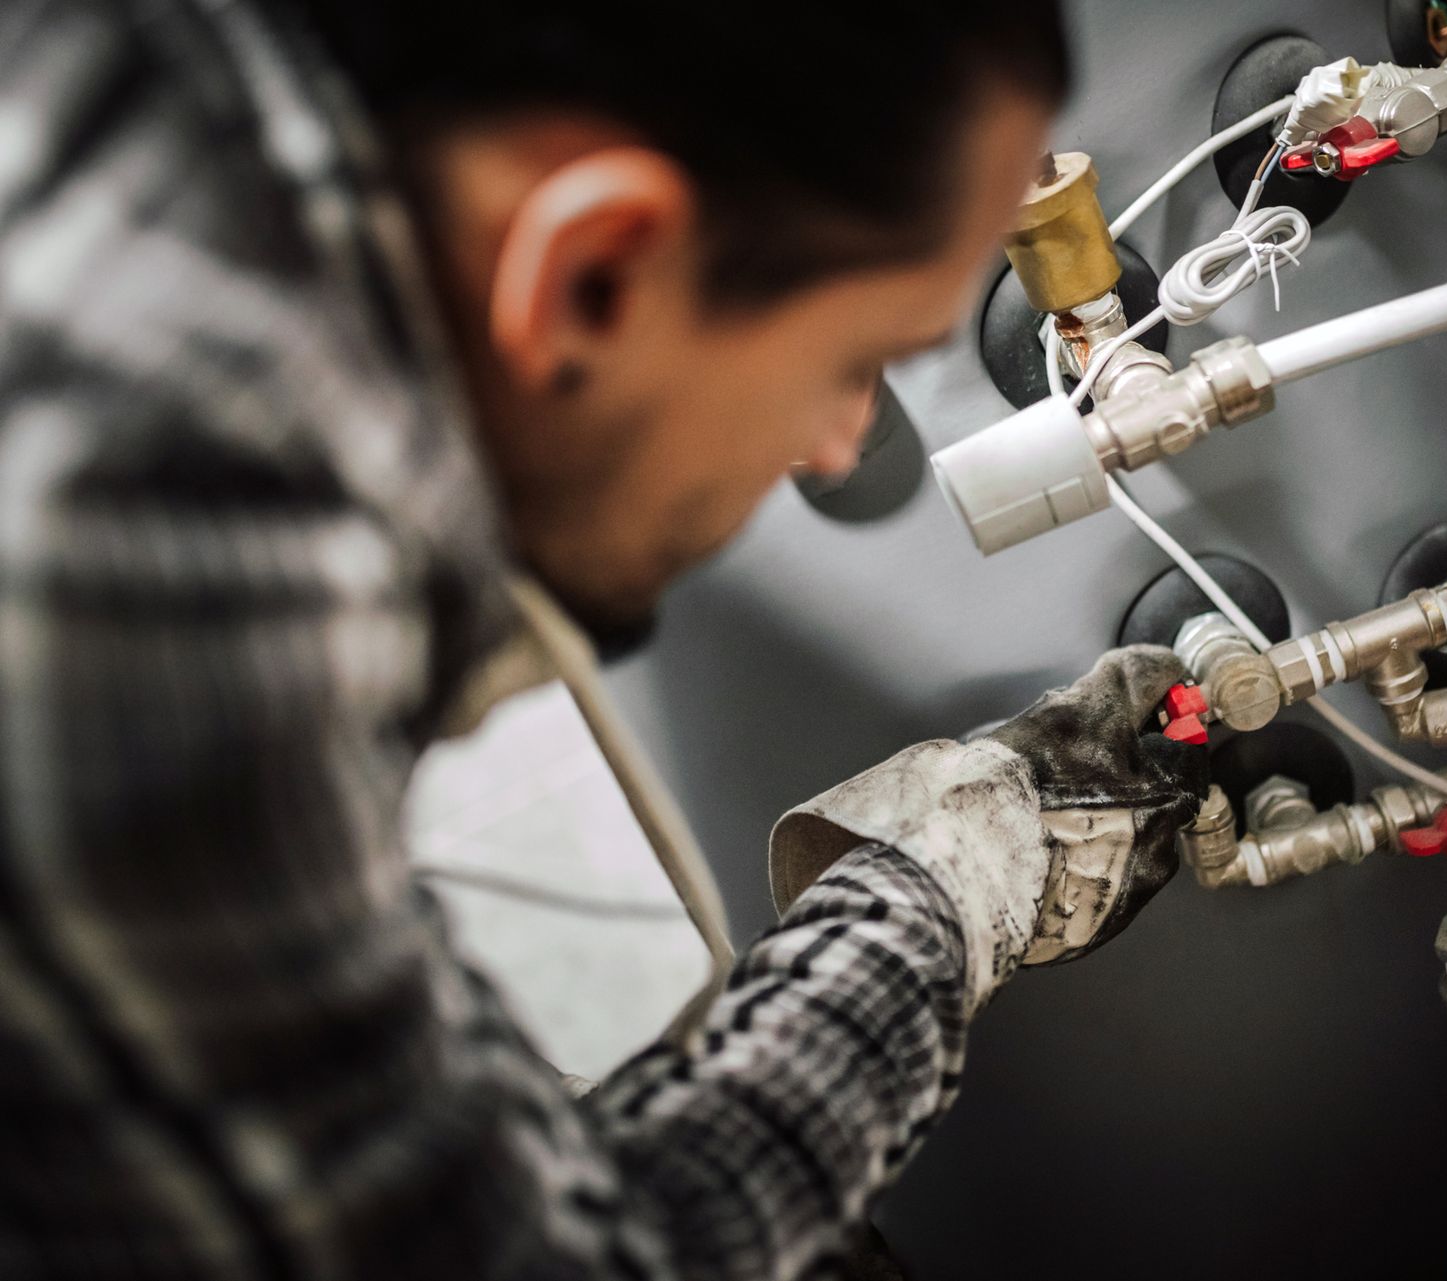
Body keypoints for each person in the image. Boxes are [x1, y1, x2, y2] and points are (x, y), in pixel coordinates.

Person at [0, 3, 1208, 1278]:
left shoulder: (159, 107)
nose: (839, 447)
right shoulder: (136, 601)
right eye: (857, 357)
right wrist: (942, 890)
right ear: (593, 273)